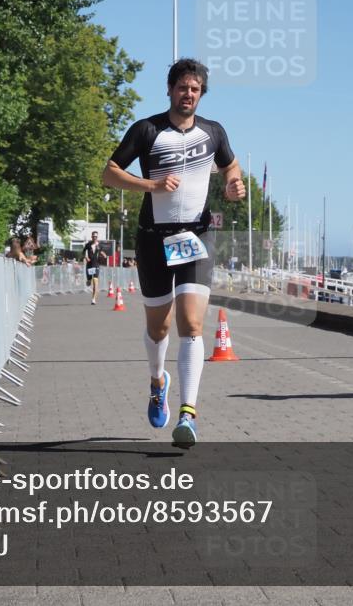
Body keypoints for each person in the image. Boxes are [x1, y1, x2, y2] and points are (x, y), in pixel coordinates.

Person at [102, 58, 245, 447]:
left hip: (196, 236)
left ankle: (189, 415)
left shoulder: (214, 133)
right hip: (153, 238)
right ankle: (157, 380)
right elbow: (109, 173)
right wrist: (151, 186)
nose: (188, 94)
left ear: (202, 94)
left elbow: (232, 168)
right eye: (182, 87)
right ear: (169, 90)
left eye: (195, 89)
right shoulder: (147, 130)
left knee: (192, 325)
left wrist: (234, 186)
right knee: (158, 327)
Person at [82, 231, 107, 304]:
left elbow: (101, 251)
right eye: (93, 236)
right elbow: (83, 252)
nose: (94, 238)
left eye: (96, 236)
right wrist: (86, 257)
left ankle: (93, 299)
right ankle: (89, 280)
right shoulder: (88, 245)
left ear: (97, 237)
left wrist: (104, 255)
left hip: (96, 265)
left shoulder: (99, 245)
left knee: (95, 283)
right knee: (89, 282)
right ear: (91, 237)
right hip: (89, 265)